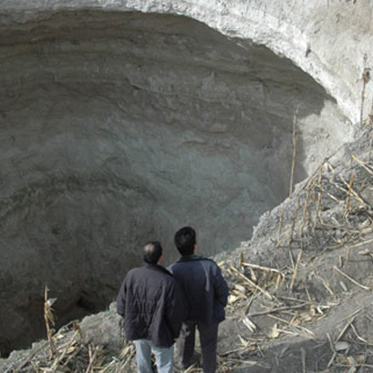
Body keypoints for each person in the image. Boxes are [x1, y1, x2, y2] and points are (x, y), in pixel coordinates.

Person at [116, 241, 186, 373]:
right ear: (161, 257)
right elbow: (175, 314)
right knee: (164, 367)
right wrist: (173, 333)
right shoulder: (169, 282)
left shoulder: (132, 275)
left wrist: (131, 320)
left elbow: (121, 306)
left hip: (137, 329)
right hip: (160, 332)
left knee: (142, 365)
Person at [168, 227, 229, 373]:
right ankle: (209, 369)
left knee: (185, 337)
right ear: (195, 246)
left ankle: (184, 362)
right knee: (208, 345)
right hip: (208, 312)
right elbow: (223, 290)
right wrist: (219, 305)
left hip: (184, 314)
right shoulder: (210, 266)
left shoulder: (172, 270)